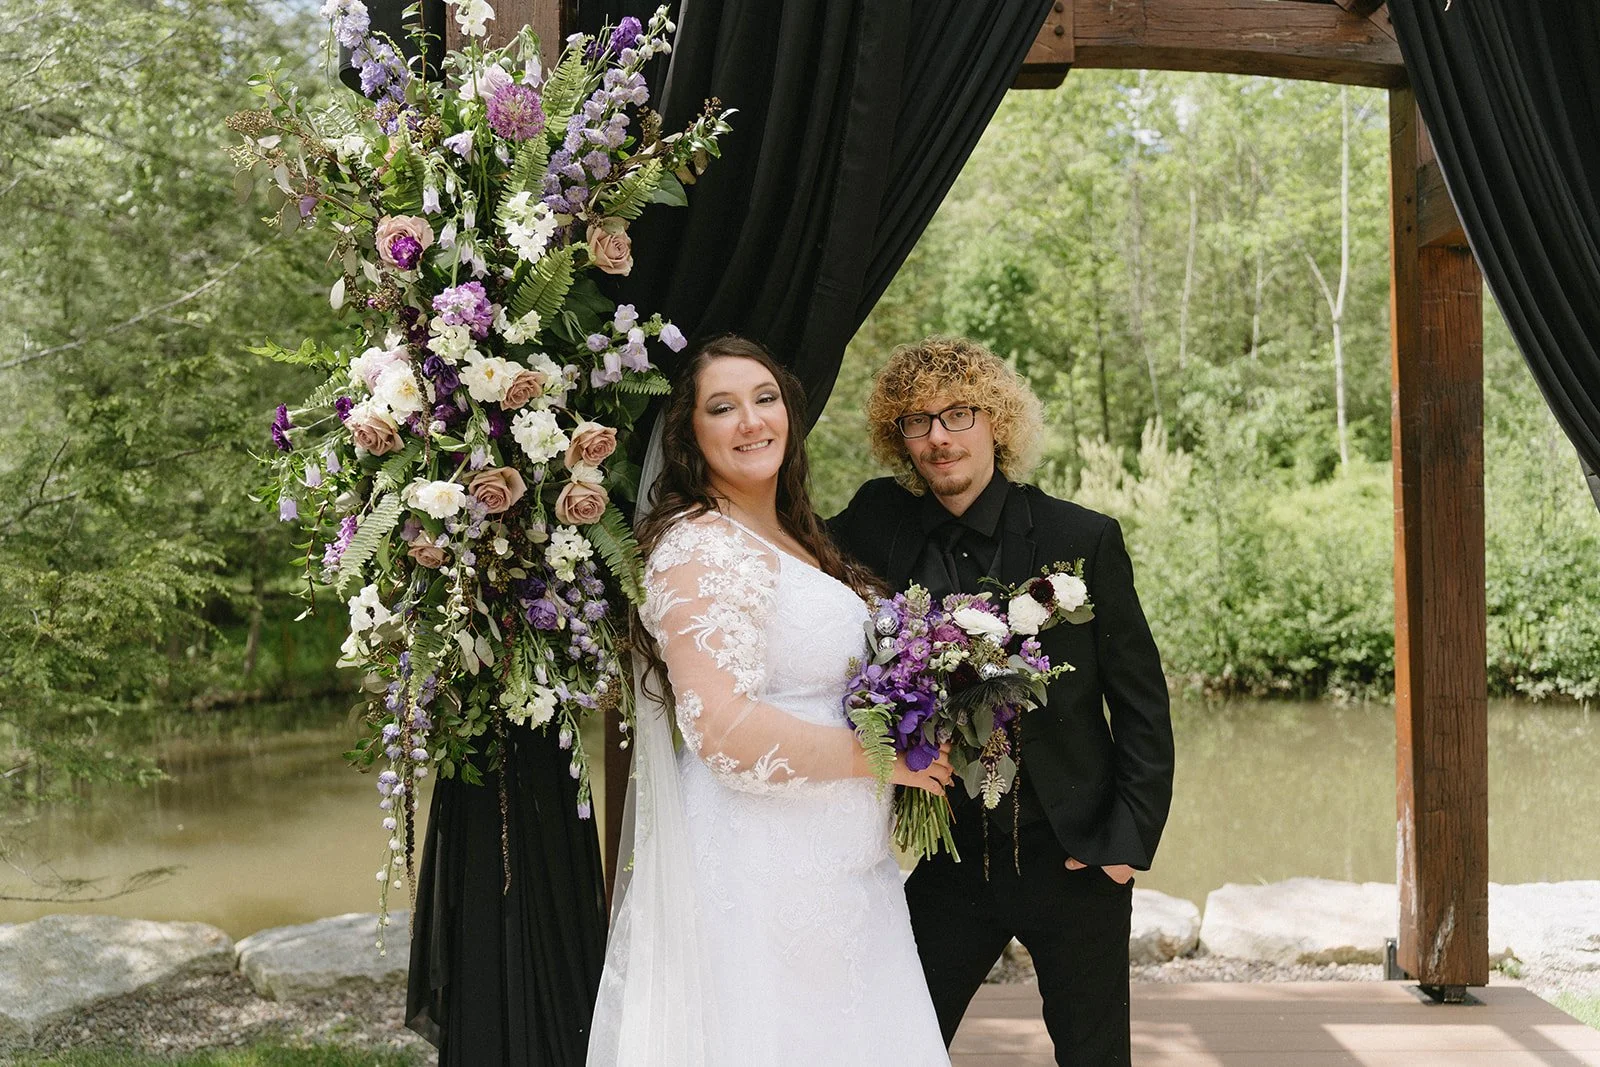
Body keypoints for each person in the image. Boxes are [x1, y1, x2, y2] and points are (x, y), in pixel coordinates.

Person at [588, 335, 953, 1066]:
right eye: (722, 407)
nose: (752, 421)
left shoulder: (796, 536)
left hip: (843, 883)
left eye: (765, 398)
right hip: (760, 879)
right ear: (690, 436)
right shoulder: (698, 548)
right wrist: (885, 761)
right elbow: (722, 729)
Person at [831, 336, 1175, 1067]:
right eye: (916, 422)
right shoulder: (874, 523)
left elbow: (1141, 702)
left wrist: (1125, 844)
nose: (939, 437)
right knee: (891, 1045)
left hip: (1075, 856)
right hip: (948, 859)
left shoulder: (1081, 538)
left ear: (998, 422)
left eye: (958, 414)